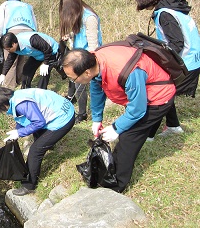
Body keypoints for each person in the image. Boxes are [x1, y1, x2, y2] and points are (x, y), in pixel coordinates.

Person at [61, 48, 176, 193]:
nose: (72, 81)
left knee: (129, 137)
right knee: (128, 130)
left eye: (73, 78)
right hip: (144, 94)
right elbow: (97, 88)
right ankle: (112, 170)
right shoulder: (95, 62)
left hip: (158, 97)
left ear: (86, 72)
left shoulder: (127, 71)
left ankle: (115, 186)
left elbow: (138, 109)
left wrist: (116, 128)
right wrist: (97, 119)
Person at [133, 0, 200, 139]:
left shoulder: (165, 14)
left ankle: (148, 135)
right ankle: (173, 126)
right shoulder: (172, 8)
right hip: (194, 59)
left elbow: (177, 43)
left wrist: (162, 62)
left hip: (186, 62)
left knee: (160, 92)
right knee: (167, 91)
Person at [0, 87, 75, 196]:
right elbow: (23, 118)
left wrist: (19, 133)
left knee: (35, 151)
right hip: (64, 109)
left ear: (3, 105)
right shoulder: (16, 97)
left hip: (63, 119)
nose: (3, 112)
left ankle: (29, 186)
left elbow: (39, 122)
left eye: (0, 110)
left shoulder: (21, 104)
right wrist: (17, 131)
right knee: (38, 137)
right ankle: (49, 144)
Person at [59, 0, 103, 124]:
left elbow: (93, 45)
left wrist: (83, 62)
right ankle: (82, 112)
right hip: (78, 55)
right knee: (77, 84)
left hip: (87, 59)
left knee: (89, 87)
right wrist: (70, 35)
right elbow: (80, 32)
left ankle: (88, 114)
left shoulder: (89, 18)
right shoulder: (79, 15)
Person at [0, 31, 65, 89]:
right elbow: (10, 60)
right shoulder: (14, 47)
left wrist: (45, 63)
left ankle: (41, 91)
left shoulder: (32, 40)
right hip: (37, 54)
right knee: (27, 69)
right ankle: (25, 89)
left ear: (13, 44)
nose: (8, 51)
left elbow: (47, 49)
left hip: (51, 52)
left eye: (8, 49)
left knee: (44, 72)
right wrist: (3, 74)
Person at [0, 0, 38, 89]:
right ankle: (18, 79)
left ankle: (9, 86)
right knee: (21, 56)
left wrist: (1, 37)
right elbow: (34, 21)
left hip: (13, 31)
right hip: (29, 31)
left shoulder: (6, 4)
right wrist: (34, 34)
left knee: (11, 60)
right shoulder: (27, 6)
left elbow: (0, 22)